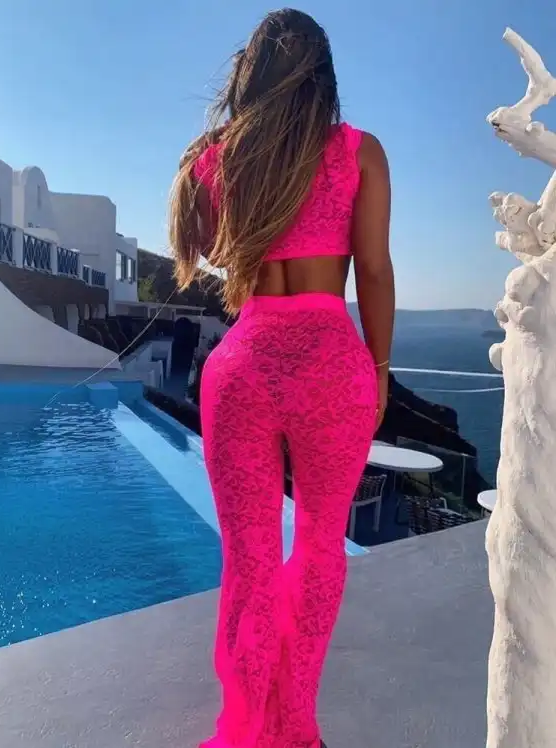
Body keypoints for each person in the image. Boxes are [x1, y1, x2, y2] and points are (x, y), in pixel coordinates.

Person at [169, 9, 394, 747]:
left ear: (250, 74)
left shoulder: (216, 160)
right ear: (322, 75)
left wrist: (215, 160)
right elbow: (373, 270)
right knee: (323, 549)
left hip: (243, 367)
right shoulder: (359, 152)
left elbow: (203, 250)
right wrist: (380, 368)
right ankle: (296, 725)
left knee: (250, 563)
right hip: (332, 364)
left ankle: (246, 727)